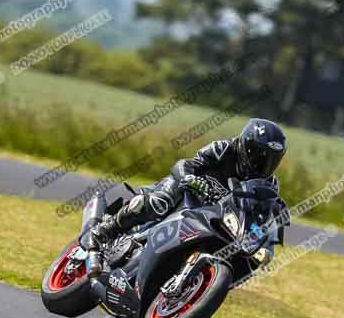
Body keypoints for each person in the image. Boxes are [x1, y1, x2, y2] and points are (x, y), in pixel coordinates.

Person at [85, 118, 287, 276]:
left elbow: (266, 211)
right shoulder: (224, 149)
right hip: (188, 192)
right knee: (160, 201)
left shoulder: (269, 184)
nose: (263, 164)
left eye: (271, 160)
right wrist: (190, 178)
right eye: (258, 155)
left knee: (245, 256)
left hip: (215, 217)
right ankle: (105, 231)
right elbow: (187, 164)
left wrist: (272, 230)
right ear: (245, 146)